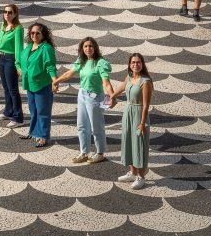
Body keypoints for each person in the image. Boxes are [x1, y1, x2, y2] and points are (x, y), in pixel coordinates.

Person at [52, 37, 114, 164]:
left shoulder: (100, 63)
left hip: (95, 98)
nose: (88, 49)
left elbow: (106, 83)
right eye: (85, 46)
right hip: (82, 95)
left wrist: (112, 96)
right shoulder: (82, 61)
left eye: (91, 46)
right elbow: (69, 73)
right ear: (82, 49)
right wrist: (56, 81)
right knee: (81, 125)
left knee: (96, 126)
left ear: (95, 48)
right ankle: (84, 152)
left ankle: (100, 152)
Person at [109, 53, 154, 190]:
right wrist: (112, 96)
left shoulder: (145, 82)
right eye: (133, 62)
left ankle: (141, 177)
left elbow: (146, 105)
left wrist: (142, 123)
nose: (136, 64)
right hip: (128, 112)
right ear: (129, 64)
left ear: (142, 64)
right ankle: (132, 172)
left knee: (139, 144)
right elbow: (122, 87)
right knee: (129, 141)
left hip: (139, 113)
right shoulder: (130, 77)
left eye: (138, 62)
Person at [18, 22, 57, 148]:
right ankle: (33, 132)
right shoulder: (29, 47)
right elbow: (19, 60)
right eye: (32, 32)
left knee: (43, 111)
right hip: (30, 84)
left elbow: (50, 66)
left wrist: (55, 81)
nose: (34, 35)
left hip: (42, 84)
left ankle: (44, 136)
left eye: (37, 33)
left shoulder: (46, 48)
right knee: (33, 110)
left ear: (43, 35)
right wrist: (19, 68)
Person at [0, 4, 24, 128]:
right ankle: (8, 111)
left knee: (13, 89)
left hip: (10, 59)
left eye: (10, 12)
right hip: (1, 57)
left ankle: (17, 117)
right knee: (6, 87)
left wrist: (18, 65)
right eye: (5, 12)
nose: (7, 14)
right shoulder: (3, 26)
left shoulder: (18, 28)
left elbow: (19, 48)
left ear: (15, 14)